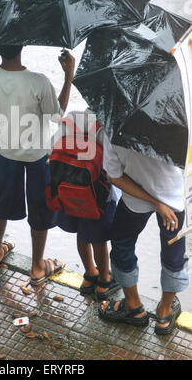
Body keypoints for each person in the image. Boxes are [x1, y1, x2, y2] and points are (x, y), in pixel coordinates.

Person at [0, 45, 75, 284]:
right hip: (36, 157)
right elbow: (56, 115)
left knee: (1, 200)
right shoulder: (38, 82)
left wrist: (3, 138)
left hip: (5, 152)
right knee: (40, 207)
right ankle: (37, 266)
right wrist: (68, 75)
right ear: (22, 45)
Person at [98, 133, 189, 335]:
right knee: (174, 254)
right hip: (174, 201)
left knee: (122, 243)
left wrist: (154, 202)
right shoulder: (182, 122)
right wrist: (160, 202)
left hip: (134, 201)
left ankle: (134, 307)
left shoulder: (115, 127)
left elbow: (115, 176)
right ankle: (164, 315)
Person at [50, 109, 121, 299]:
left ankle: (89, 273)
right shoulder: (106, 127)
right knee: (99, 239)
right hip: (96, 195)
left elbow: (51, 149)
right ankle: (105, 280)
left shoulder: (71, 118)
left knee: (82, 234)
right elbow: (112, 164)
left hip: (67, 191)